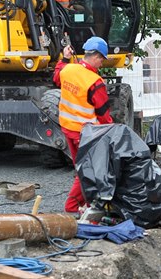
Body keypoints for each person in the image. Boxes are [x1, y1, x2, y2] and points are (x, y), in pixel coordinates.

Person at [53, 36, 112, 215]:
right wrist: (112, 131)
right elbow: (103, 115)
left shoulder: (68, 69)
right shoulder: (95, 82)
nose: (101, 64)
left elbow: (56, 77)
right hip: (85, 133)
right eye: (101, 59)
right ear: (95, 56)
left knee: (81, 167)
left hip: (68, 128)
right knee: (86, 169)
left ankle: (86, 203)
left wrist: (64, 57)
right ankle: (72, 207)